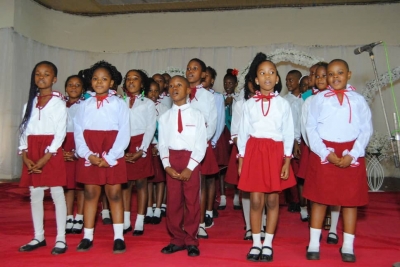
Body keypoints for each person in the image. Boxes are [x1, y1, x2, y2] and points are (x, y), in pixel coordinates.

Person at [304, 59, 372, 263]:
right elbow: (310, 128)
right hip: (326, 152)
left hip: (351, 153)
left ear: (349, 75)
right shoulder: (319, 99)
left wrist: (354, 153)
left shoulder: (359, 100)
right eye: (330, 74)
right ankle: (314, 243)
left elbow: (366, 129)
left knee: (351, 202)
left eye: (340, 73)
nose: (335, 77)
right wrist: (325, 153)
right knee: (319, 199)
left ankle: (348, 245)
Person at [237, 53, 296, 262]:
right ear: (256, 80)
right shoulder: (249, 105)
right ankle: (255, 242)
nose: (267, 76)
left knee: (272, 200)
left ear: (277, 78)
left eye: (272, 72)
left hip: (275, 153)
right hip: (254, 152)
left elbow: (289, 133)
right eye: (262, 73)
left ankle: (268, 243)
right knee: (255, 200)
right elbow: (243, 133)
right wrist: (241, 160)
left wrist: (287, 161)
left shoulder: (283, 105)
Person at [74, 60, 129, 253]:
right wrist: (88, 155)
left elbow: (124, 131)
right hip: (91, 150)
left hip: (112, 150)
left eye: (104, 79)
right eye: (96, 78)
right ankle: (87, 236)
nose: (99, 82)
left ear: (112, 83)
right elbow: (78, 131)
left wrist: (111, 156)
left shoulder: (119, 104)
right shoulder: (84, 104)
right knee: (90, 194)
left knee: (114, 194)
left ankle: (119, 237)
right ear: (90, 82)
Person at [18, 61, 68, 255]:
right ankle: (39, 236)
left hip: (51, 152)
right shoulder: (29, 103)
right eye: (38, 74)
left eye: (46, 74)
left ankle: (61, 238)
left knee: (57, 195)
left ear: (54, 79)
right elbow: (24, 130)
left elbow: (60, 132)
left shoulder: (58, 102)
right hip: (32, 151)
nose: (41, 77)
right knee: (35, 195)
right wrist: (24, 154)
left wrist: (47, 155)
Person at [159, 75, 207, 257]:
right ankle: (177, 238)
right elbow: (162, 143)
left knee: (192, 201)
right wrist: (166, 165)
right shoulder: (164, 117)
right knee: (173, 201)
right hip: (172, 159)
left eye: (179, 85)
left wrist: (190, 167)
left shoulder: (197, 115)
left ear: (188, 90)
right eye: (171, 86)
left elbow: (201, 144)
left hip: (190, 161)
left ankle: (191, 239)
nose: (174, 88)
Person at [121, 69, 156, 235]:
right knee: (125, 184)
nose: (131, 81)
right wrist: (120, 147)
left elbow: (150, 127)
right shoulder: (119, 101)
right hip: (123, 144)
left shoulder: (147, 103)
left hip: (141, 143)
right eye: (128, 79)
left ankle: (140, 220)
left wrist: (142, 149)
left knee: (141, 184)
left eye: (135, 79)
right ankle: (126, 220)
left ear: (142, 84)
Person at [185, 58, 218, 239]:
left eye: (195, 68)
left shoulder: (208, 96)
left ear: (203, 74)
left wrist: (200, 141)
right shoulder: (179, 92)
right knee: (186, 185)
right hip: (182, 146)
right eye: (188, 68)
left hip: (200, 145)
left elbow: (212, 122)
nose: (190, 71)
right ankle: (187, 220)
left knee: (201, 185)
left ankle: (201, 223)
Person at [201, 66, 226, 228]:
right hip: (194, 143)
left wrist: (214, 140)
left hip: (211, 141)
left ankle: (209, 211)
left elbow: (219, 120)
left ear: (212, 80)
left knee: (210, 178)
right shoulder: (190, 94)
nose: (204, 79)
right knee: (198, 179)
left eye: (207, 77)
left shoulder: (216, 97)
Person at [63, 75, 86, 235]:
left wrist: (77, 152)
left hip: (80, 145)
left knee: (81, 185)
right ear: (65, 88)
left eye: (77, 85)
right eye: (70, 84)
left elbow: (86, 130)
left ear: (83, 89)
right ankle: (68, 215)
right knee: (67, 185)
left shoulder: (86, 105)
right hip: (63, 143)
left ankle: (81, 216)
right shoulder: (58, 104)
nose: (73, 87)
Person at [145, 78, 169, 224]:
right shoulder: (143, 107)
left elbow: (166, 131)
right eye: (150, 90)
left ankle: (158, 208)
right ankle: (149, 207)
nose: (153, 93)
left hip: (160, 148)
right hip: (147, 147)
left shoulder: (164, 109)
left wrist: (158, 146)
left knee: (160, 180)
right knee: (148, 180)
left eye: (156, 90)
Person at [219, 68, 241, 210]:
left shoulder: (240, 98)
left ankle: (237, 195)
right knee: (222, 166)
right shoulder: (219, 98)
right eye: (225, 83)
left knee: (236, 163)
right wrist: (224, 104)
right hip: (223, 132)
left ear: (235, 84)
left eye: (230, 83)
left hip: (235, 134)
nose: (228, 85)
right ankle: (222, 196)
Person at [283, 70, 304, 213]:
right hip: (290, 140)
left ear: (298, 81)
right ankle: (294, 200)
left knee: (302, 172)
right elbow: (287, 123)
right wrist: (295, 141)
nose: (288, 83)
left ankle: (304, 201)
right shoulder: (284, 100)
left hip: (305, 140)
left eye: (291, 80)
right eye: (286, 80)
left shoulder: (305, 100)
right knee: (291, 171)